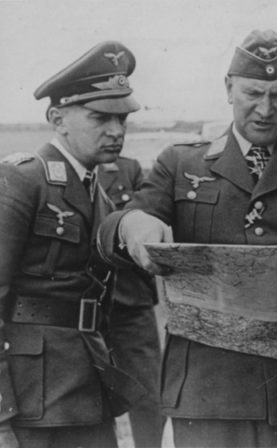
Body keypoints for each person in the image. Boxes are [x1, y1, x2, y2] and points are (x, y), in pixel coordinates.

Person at [96, 30, 277, 448]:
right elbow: (122, 223)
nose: (265, 109)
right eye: (253, 93)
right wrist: (135, 228)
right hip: (207, 393)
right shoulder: (180, 163)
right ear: (228, 88)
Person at [0, 41, 146, 448]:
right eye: (100, 117)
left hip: (87, 391)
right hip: (31, 402)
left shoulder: (96, 189)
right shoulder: (23, 180)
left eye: (123, 119)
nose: (116, 131)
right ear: (57, 118)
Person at [98, 157, 165, 447]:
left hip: (130, 301)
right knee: (89, 401)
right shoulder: (55, 175)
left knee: (148, 394)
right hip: (81, 308)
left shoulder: (129, 169)